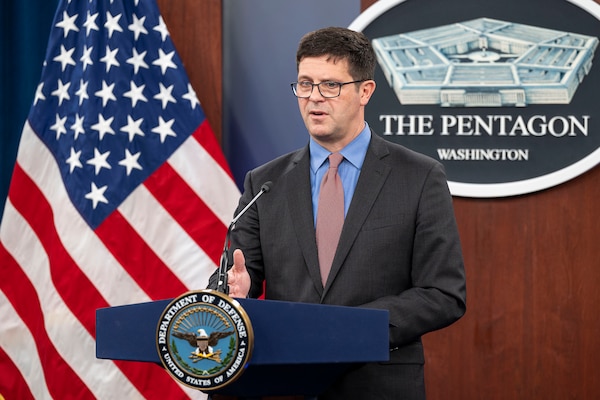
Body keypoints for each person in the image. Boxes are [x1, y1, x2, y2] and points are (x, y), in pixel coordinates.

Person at [208, 26, 466, 400]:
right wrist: (233, 296)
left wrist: (351, 329)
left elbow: (444, 293)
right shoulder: (263, 183)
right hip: (283, 384)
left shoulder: (419, 176)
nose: (314, 98)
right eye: (305, 84)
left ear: (365, 91)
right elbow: (233, 277)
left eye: (330, 85)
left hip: (377, 384)